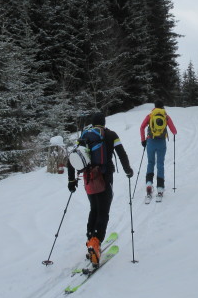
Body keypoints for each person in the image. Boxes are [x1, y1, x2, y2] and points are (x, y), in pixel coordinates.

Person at [67, 111, 133, 266]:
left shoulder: (84, 136)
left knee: (94, 209)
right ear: (104, 122)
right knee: (103, 212)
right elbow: (121, 153)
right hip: (104, 177)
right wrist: (128, 170)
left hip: (88, 180)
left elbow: (71, 158)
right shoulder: (111, 135)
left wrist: (71, 180)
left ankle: (90, 239)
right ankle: (95, 244)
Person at [139, 101, 177, 199]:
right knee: (160, 164)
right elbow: (174, 131)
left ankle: (148, 184)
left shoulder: (150, 115)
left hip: (150, 142)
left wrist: (143, 140)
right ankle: (160, 188)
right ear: (162, 106)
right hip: (161, 143)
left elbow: (142, 127)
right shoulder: (165, 116)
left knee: (150, 163)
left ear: (155, 106)